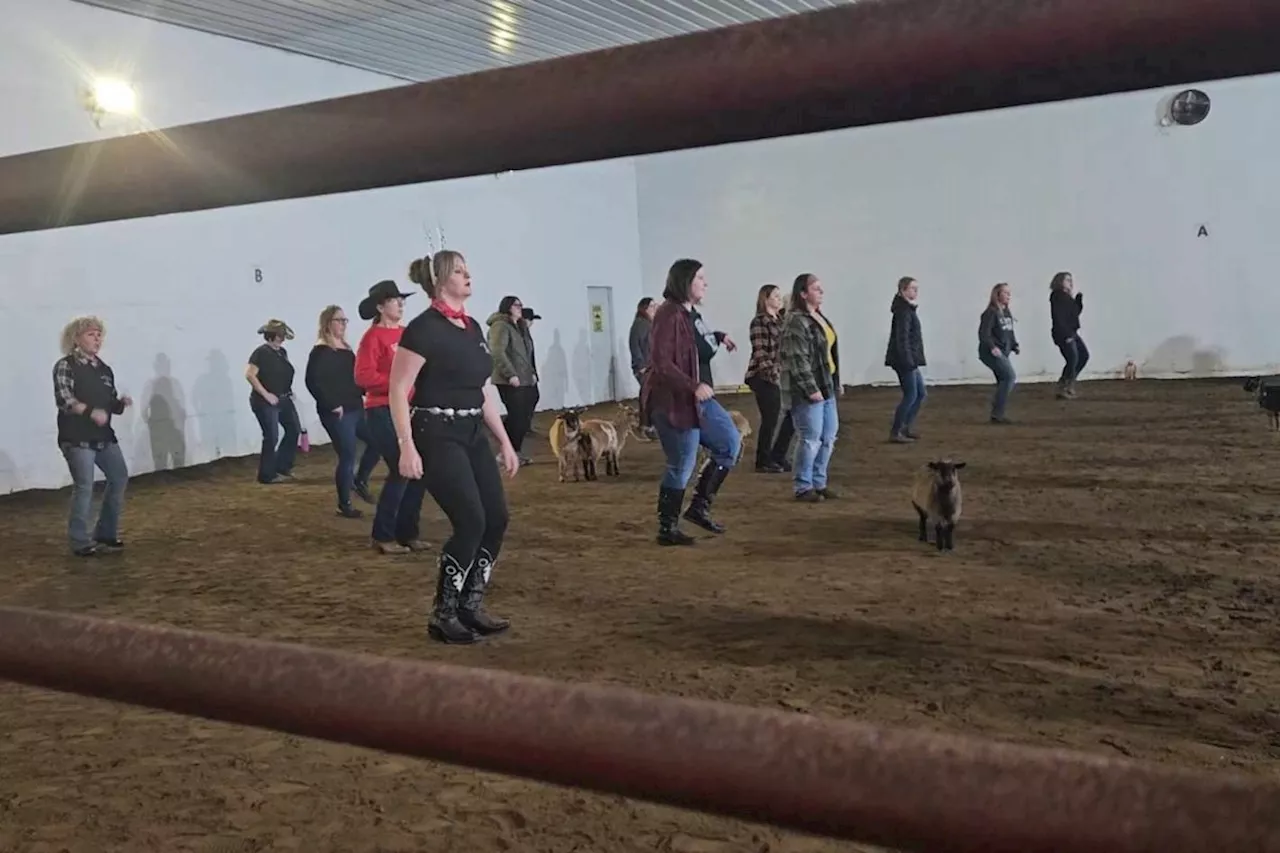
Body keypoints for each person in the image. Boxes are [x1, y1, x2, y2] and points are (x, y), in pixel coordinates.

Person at [389, 251, 519, 645]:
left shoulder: (473, 327)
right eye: (459, 271)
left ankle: (470, 604)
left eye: (467, 269)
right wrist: (406, 446)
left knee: (496, 518)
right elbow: (397, 389)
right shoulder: (422, 329)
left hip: (472, 430)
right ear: (440, 280)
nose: (467, 276)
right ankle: (443, 613)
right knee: (471, 521)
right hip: (436, 431)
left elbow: (482, 390)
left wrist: (505, 439)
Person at [642, 259, 741, 546]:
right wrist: (692, 385)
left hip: (697, 399)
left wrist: (719, 337)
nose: (705, 283)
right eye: (699, 278)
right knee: (681, 463)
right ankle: (667, 527)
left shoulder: (689, 313)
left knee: (729, 443)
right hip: (674, 400)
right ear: (684, 281)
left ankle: (699, 507)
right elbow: (661, 361)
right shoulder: (667, 314)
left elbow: (695, 341)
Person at [355, 278, 431, 555]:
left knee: (417, 472)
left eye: (402, 300)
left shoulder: (407, 334)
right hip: (380, 410)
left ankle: (407, 532)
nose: (400, 304)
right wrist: (398, 381)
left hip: (405, 409)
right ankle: (384, 534)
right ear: (380, 306)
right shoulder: (372, 337)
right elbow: (362, 376)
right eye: (394, 300)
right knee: (403, 470)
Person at [53, 315, 133, 556]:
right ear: (76, 339)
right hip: (77, 437)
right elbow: (64, 399)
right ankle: (80, 541)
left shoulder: (105, 370)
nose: (97, 338)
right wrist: (89, 411)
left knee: (119, 477)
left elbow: (108, 402)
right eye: (91, 334)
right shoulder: (66, 365)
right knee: (85, 486)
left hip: (103, 435)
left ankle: (106, 533)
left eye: (99, 334)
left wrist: (119, 405)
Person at [306, 304, 381, 518]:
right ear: (328, 324)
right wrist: (332, 404)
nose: (343, 324)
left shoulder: (346, 349)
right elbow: (314, 382)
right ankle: (344, 503)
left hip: (356, 406)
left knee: (377, 442)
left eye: (345, 320)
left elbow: (354, 377)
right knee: (348, 455)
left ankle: (360, 480)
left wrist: (367, 391)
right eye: (339, 320)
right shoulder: (321, 351)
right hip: (337, 412)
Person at [780, 274, 841, 502]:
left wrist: (835, 383)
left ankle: (819, 481)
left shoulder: (819, 317)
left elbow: (828, 353)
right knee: (810, 438)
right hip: (808, 389)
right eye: (816, 288)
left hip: (826, 385)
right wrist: (810, 388)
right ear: (803, 293)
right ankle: (803, 486)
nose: (821, 292)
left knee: (828, 437)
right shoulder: (796, 320)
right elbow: (798, 359)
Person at [744, 283, 794, 473]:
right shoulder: (759, 322)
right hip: (762, 376)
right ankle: (763, 460)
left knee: (782, 416)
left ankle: (776, 456)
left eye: (779, 296)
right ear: (765, 299)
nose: (779, 299)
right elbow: (760, 352)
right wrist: (773, 374)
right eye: (775, 296)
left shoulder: (782, 320)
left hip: (778, 374)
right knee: (770, 418)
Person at [245, 319, 302, 484]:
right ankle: (266, 474)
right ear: (271, 336)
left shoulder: (281, 353)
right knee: (271, 436)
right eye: (279, 335)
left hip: (283, 398)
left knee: (293, 430)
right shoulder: (260, 353)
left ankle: (282, 466)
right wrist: (266, 394)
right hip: (264, 401)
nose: (282, 338)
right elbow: (250, 374)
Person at [487, 296, 538, 466]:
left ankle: (512, 450)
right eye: (517, 305)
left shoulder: (521, 326)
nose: (520, 308)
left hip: (524, 378)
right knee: (517, 417)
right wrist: (510, 374)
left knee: (522, 417)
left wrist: (531, 372)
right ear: (507, 307)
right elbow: (497, 352)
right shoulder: (500, 326)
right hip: (508, 380)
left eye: (521, 305)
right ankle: (507, 452)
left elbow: (527, 353)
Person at [884, 276, 927, 444]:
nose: (915, 292)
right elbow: (902, 339)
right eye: (912, 289)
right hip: (905, 360)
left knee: (920, 394)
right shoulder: (903, 311)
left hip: (909, 359)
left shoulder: (906, 309)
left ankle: (904, 427)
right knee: (911, 395)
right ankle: (896, 431)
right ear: (903, 290)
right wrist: (908, 360)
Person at [978, 283, 1020, 424]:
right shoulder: (990, 313)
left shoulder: (1006, 313)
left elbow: (1009, 332)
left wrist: (1014, 345)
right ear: (998, 295)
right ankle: (997, 412)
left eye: (1009, 293)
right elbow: (984, 333)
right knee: (1009, 377)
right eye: (1005, 293)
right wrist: (992, 347)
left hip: (1003, 351)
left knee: (1003, 380)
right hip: (992, 352)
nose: (1009, 296)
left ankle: (997, 413)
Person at [1050, 271, 1087, 399]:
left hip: (1072, 332)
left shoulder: (1067, 297)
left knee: (1083, 356)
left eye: (1071, 280)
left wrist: (1078, 300)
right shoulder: (1057, 296)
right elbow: (1059, 316)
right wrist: (1066, 335)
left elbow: (1074, 313)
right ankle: (1064, 386)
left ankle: (1068, 383)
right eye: (1067, 280)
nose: (1070, 282)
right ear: (1059, 282)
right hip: (1064, 333)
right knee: (1073, 359)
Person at [629, 297, 659, 439]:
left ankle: (649, 425)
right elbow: (635, 346)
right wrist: (640, 366)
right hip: (645, 368)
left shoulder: (648, 324)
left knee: (650, 396)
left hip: (650, 367)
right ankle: (646, 426)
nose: (655, 309)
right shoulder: (641, 325)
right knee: (648, 396)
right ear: (645, 309)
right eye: (652, 306)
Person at [519, 306, 544, 442]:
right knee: (529, 399)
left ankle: (525, 425)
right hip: (525, 374)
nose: (532, 323)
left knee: (532, 398)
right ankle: (523, 425)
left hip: (529, 373)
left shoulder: (525, 333)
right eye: (530, 320)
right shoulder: (521, 334)